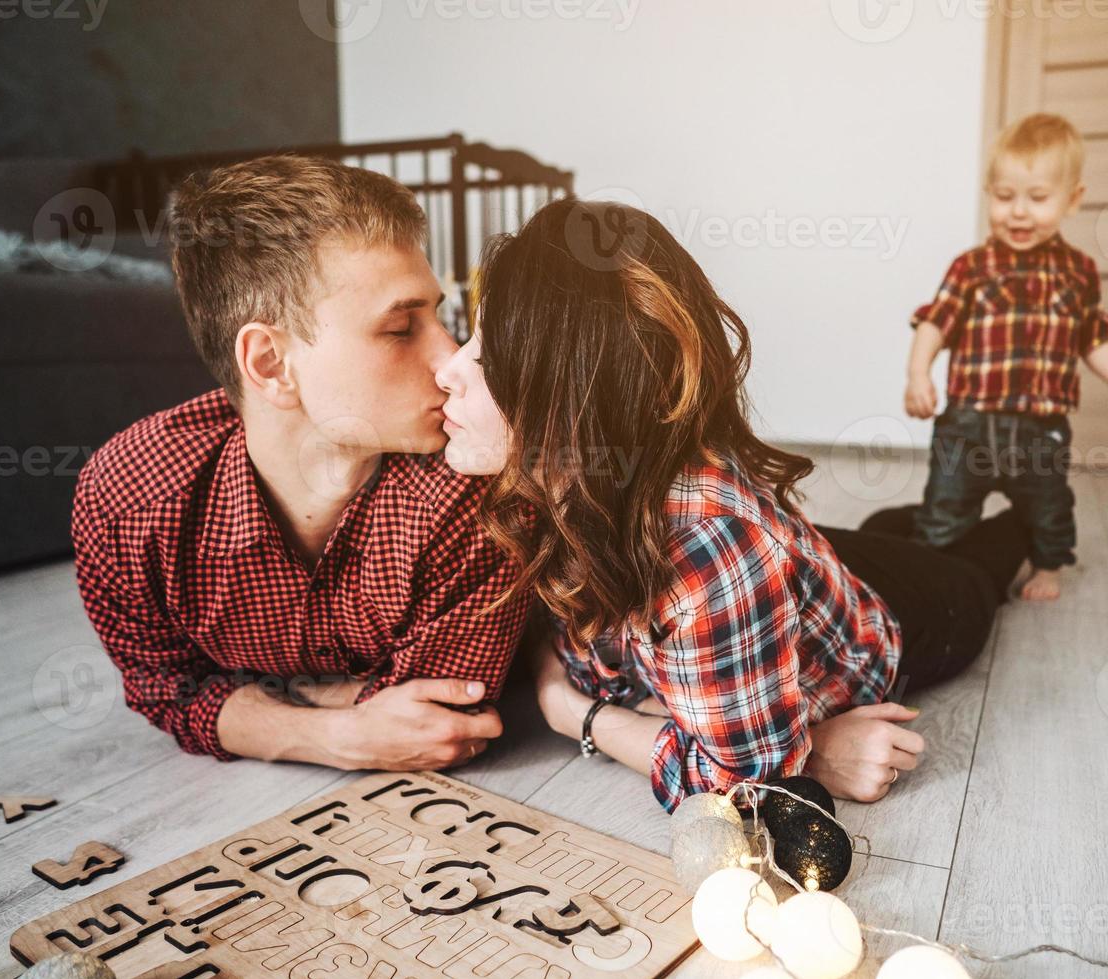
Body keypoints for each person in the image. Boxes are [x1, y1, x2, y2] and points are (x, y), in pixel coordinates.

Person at [432, 198, 1029, 813]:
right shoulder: (554, 475)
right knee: (882, 533)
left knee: (973, 569)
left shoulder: (706, 549)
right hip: (792, 568)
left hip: (904, 621)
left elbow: (742, 785)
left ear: (574, 394)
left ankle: (1025, 531)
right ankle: (893, 530)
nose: (446, 368)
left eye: (484, 356)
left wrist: (572, 713)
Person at [70, 156, 525, 770]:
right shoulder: (129, 498)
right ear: (270, 365)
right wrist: (342, 736)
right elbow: (161, 685)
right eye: (399, 328)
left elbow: (444, 722)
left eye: (440, 317)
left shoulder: (477, 486)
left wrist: (246, 694)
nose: (452, 359)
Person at [898, 113, 1108, 601]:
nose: (1018, 212)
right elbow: (936, 322)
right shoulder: (971, 267)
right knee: (943, 504)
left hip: (1040, 426)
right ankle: (932, 565)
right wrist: (917, 374)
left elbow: (1092, 336)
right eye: (1004, 196)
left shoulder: (1078, 272)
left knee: (1049, 503)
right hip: (968, 424)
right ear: (988, 193)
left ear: (1072, 200)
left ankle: (1047, 566)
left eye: (1037, 199)